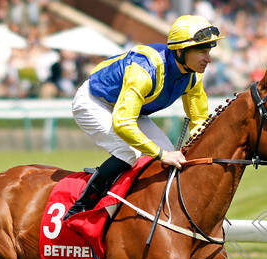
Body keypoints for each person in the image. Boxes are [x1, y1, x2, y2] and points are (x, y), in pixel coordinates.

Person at [63, 14, 223, 220]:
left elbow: (199, 121)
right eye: (202, 51)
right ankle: (83, 206)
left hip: (130, 111)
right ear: (181, 51)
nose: (208, 58)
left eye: (209, 51)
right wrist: (161, 154)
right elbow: (123, 123)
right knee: (128, 152)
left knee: (169, 156)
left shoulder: (193, 75)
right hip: (94, 102)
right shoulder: (146, 69)